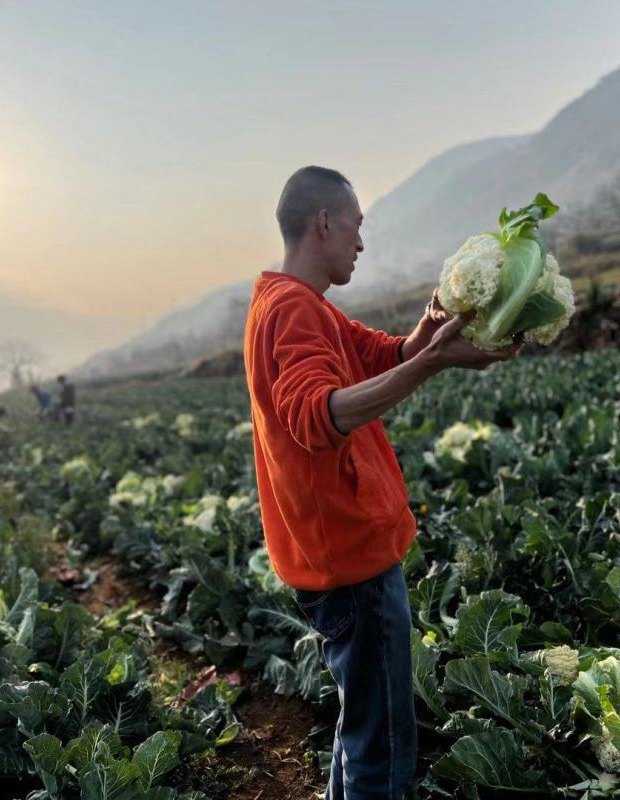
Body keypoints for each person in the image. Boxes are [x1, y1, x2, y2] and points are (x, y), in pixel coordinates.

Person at [243, 166, 522, 800]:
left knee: (362, 725)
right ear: (324, 224)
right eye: (357, 226)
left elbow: (377, 354)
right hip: (350, 558)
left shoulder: (298, 304)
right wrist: (429, 364)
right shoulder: (291, 310)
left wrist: (427, 335)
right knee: (384, 746)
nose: (361, 243)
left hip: (338, 553)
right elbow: (320, 415)